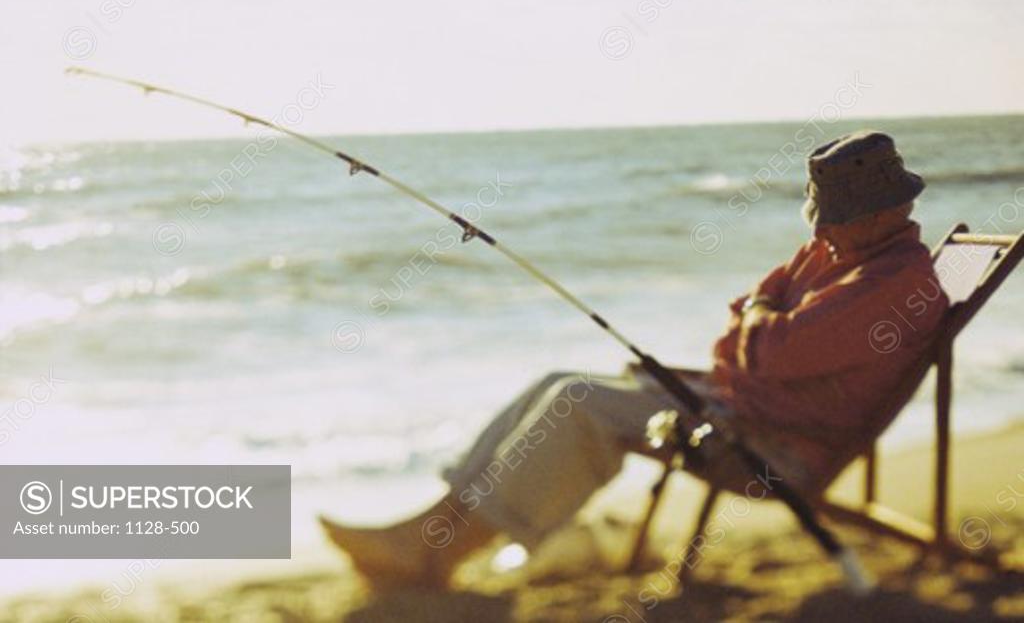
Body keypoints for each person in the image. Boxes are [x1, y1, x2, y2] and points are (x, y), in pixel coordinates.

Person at [319, 131, 949, 588]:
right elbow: (753, 316)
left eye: (833, 219)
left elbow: (763, 345)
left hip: (774, 445)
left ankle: (438, 555)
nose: (818, 232)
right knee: (559, 381)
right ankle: (425, 531)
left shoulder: (891, 285)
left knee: (579, 406)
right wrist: (760, 317)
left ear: (881, 213)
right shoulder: (840, 254)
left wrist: (758, 319)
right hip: (739, 406)